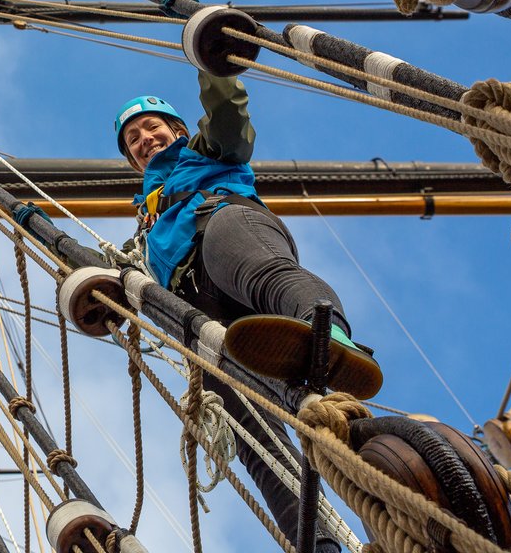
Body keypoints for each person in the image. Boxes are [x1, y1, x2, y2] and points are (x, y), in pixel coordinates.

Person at [113, 72, 382, 553]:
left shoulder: (201, 150)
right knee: (245, 425)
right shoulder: (146, 220)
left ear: (175, 130)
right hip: (191, 299)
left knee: (265, 276)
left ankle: (333, 340)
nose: (142, 141)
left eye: (150, 128)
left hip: (223, 227)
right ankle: (316, 542)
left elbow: (227, 118)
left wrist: (213, 65)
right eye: (132, 140)